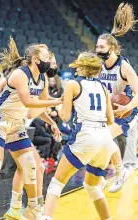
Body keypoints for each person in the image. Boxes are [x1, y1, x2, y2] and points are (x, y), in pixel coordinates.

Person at [0, 37, 62, 220]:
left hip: (17, 124)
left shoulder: (43, 81)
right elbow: (28, 101)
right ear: (35, 59)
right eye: (46, 56)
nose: (49, 60)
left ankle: (32, 208)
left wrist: (52, 122)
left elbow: (37, 108)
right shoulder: (20, 74)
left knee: (30, 165)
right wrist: (58, 101)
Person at [42, 51, 117, 220]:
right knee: (92, 187)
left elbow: (66, 117)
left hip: (86, 135)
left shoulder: (72, 84)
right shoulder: (103, 87)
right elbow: (111, 120)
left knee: (56, 183)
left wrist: (60, 108)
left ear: (81, 66)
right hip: (105, 138)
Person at [96, 3, 138, 192]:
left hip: (128, 108)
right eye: (96, 46)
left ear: (112, 48)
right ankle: (102, 176)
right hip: (109, 109)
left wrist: (126, 107)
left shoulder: (124, 66)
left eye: (101, 46)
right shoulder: (99, 65)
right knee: (97, 139)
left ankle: (123, 170)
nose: (97, 49)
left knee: (105, 137)